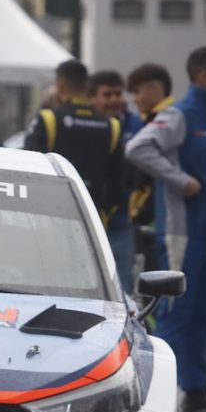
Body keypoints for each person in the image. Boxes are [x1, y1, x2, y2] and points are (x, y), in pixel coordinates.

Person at [127, 47, 206, 412]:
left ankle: (196, 393)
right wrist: (181, 181)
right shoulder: (183, 114)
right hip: (182, 233)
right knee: (177, 316)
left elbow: (204, 165)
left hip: (205, 231)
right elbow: (138, 146)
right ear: (205, 78)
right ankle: (156, 400)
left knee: (201, 317)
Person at [25, 59, 127, 228]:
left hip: (52, 214)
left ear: (60, 85)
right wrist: (104, 214)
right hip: (93, 216)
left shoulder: (49, 119)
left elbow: (30, 167)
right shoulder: (112, 125)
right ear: (87, 86)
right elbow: (118, 181)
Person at [91, 69, 142, 292]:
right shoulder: (89, 127)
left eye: (117, 94)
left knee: (122, 284)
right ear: (93, 98)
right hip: (89, 215)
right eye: (107, 94)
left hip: (120, 219)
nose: (114, 100)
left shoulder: (134, 126)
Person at [125, 63, 174, 271]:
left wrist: (144, 209)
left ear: (155, 88)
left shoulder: (166, 120)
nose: (135, 99)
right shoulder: (149, 120)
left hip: (157, 216)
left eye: (138, 92)